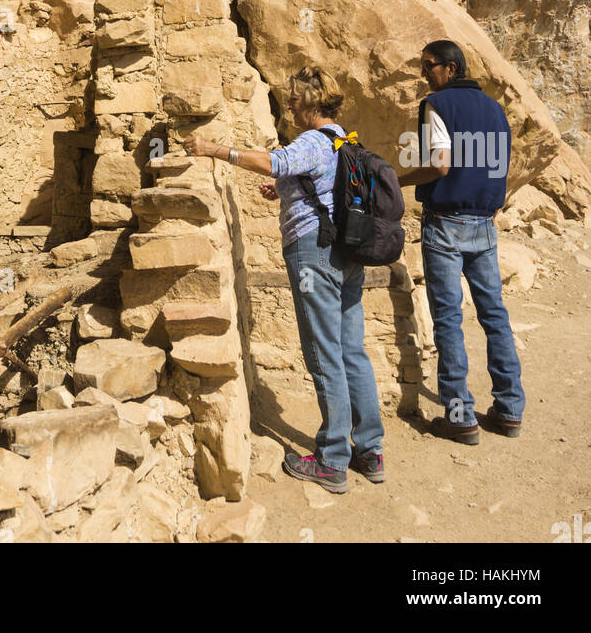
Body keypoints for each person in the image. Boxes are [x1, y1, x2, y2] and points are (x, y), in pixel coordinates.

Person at [183, 65, 384, 494]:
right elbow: (322, 184)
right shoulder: (343, 138)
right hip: (347, 254)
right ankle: (370, 449)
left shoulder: (311, 140)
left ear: (311, 102)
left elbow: (273, 161)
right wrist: (288, 188)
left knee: (323, 353)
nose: (288, 106)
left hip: (314, 253)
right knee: (352, 350)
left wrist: (213, 149)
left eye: (293, 99)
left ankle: (332, 461)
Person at [396, 39, 525, 443]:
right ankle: (509, 410)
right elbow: (500, 164)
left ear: (451, 68)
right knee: (494, 316)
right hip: (484, 224)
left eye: (428, 65)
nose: (424, 74)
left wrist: (394, 178)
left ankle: (460, 415)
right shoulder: (495, 109)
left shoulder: (439, 105)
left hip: (447, 223)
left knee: (449, 318)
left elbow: (439, 165)